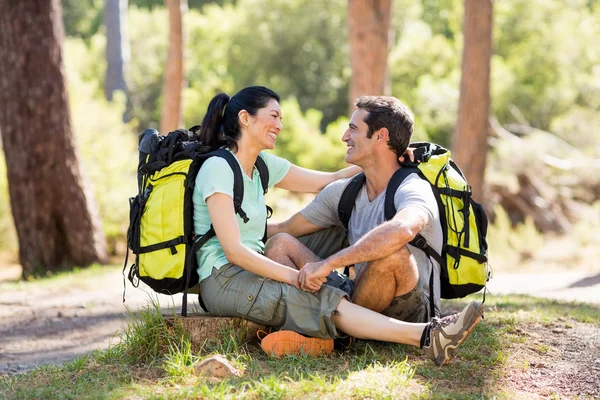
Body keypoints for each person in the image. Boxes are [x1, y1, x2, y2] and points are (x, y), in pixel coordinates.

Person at [194, 86, 483, 366]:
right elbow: (245, 245)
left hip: (405, 296)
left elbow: (330, 181)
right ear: (245, 118)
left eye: (353, 129)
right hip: (226, 274)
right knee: (291, 260)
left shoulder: (263, 166)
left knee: (371, 251)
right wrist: (299, 276)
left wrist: (399, 152)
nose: (280, 125)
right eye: (274, 116)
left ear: (380, 138)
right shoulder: (220, 167)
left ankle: (334, 331)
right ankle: (424, 336)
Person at [266, 95, 442, 325]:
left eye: (353, 129)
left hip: (410, 309)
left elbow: (402, 229)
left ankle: (337, 326)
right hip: (360, 294)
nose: (344, 137)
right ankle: (317, 325)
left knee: (391, 253)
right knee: (280, 243)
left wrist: (327, 265)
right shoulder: (345, 192)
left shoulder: (413, 187)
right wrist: (222, 232)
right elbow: (284, 227)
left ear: (381, 136)